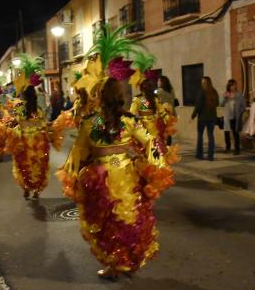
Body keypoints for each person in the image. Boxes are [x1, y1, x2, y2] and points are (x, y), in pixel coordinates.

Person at [57, 77, 173, 279]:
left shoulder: (90, 122)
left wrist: (73, 175)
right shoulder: (129, 120)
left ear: (100, 97)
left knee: (105, 223)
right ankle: (127, 259)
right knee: (129, 219)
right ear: (119, 97)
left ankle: (115, 263)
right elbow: (150, 142)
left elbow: (78, 153)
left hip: (99, 179)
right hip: (127, 176)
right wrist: (156, 166)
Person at [7, 85, 51, 199]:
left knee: (24, 166)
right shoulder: (38, 109)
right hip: (38, 141)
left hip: (24, 141)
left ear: (24, 96)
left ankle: (26, 188)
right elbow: (43, 124)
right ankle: (36, 191)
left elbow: (16, 121)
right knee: (37, 166)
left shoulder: (19, 107)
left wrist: (11, 124)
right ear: (35, 96)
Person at [192, 76, 219, 161]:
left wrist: (193, 115)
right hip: (212, 117)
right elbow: (217, 103)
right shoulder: (214, 92)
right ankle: (210, 155)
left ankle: (199, 154)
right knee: (211, 136)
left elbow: (198, 106)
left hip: (203, 118)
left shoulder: (202, 92)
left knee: (200, 136)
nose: (202, 84)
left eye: (203, 82)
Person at [221, 79, 246, 155]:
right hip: (227, 116)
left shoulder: (239, 95)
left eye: (234, 85)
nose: (233, 87)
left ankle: (237, 149)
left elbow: (243, 105)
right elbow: (221, 104)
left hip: (235, 117)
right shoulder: (226, 94)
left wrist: (240, 112)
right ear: (229, 86)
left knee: (235, 133)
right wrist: (225, 98)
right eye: (231, 85)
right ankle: (228, 147)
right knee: (226, 132)